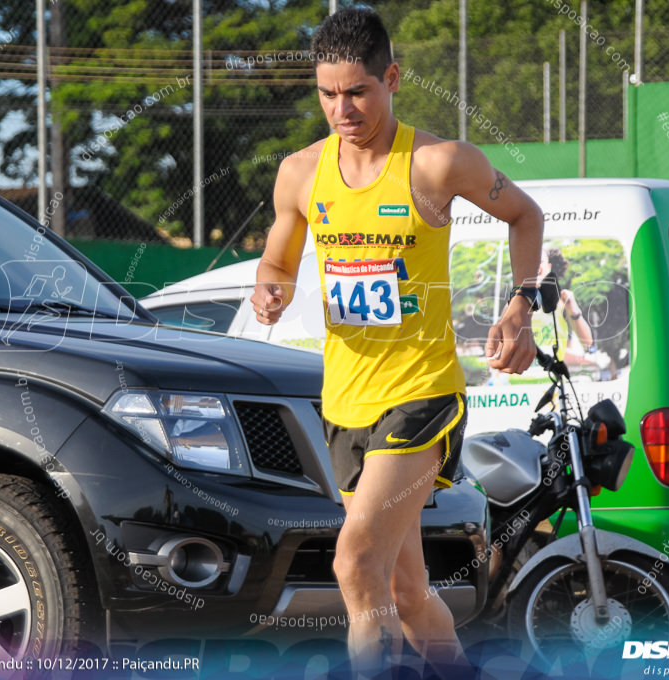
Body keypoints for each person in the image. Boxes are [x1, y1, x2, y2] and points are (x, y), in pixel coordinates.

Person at [250, 8, 544, 677]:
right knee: (408, 595)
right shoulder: (300, 173)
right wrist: (270, 289)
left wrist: (521, 305)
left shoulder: (438, 164)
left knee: (353, 560)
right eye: (327, 93)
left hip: (421, 393)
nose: (341, 108)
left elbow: (524, 214)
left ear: (392, 78)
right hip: (345, 402)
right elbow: (277, 262)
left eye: (357, 91)